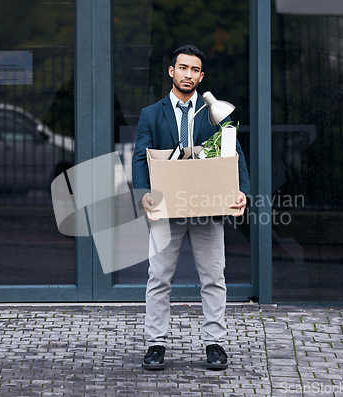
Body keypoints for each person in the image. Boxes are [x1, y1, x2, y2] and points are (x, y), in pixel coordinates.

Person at [131, 44, 250, 370]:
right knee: (158, 278)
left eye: (195, 70)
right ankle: (156, 344)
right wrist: (143, 194)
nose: (188, 74)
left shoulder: (215, 112)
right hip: (166, 208)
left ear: (201, 76)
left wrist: (242, 193)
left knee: (214, 278)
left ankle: (216, 344)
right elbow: (141, 157)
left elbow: (233, 153)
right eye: (183, 68)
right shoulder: (151, 114)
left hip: (207, 208)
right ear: (172, 71)